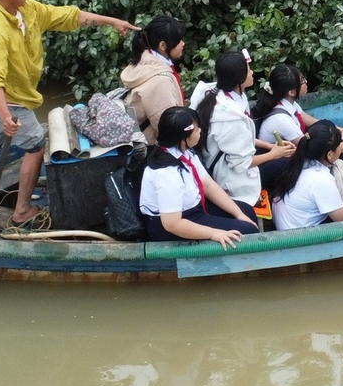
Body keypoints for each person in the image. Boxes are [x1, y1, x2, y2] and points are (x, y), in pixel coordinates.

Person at [0, 0, 137, 226]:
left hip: (5, 95)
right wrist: (6, 116)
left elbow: (69, 16)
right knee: (36, 145)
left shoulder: (28, 10)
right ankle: (22, 211)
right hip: (7, 98)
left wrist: (112, 21)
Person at [189, 50, 297, 215]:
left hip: (227, 161)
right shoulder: (231, 117)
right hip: (229, 177)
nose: (252, 72)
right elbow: (241, 164)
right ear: (239, 79)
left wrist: (268, 145)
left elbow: (239, 140)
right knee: (291, 160)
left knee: (283, 154)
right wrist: (273, 154)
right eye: (248, 70)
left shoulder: (218, 93)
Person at [138, 106, 258, 246]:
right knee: (247, 232)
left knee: (246, 212)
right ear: (183, 139)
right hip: (172, 225)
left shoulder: (184, 152)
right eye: (196, 129)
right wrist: (214, 233)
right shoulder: (167, 175)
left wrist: (238, 214)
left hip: (192, 209)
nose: (200, 130)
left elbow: (208, 185)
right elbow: (172, 224)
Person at [267, 120, 343, 230]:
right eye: (339, 145)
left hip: (289, 225)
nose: (341, 147)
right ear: (330, 154)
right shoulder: (321, 179)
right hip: (300, 237)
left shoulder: (301, 160)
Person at [120, 15, 187, 143]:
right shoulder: (160, 82)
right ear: (163, 45)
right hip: (150, 146)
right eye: (179, 41)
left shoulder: (144, 60)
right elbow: (168, 129)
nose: (183, 44)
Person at [251, 63, 317, 145]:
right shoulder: (282, 118)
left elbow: (315, 122)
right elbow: (306, 147)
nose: (306, 82)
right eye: (303, 80)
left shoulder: (289, 104)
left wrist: (336, 130)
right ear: (292, 92)